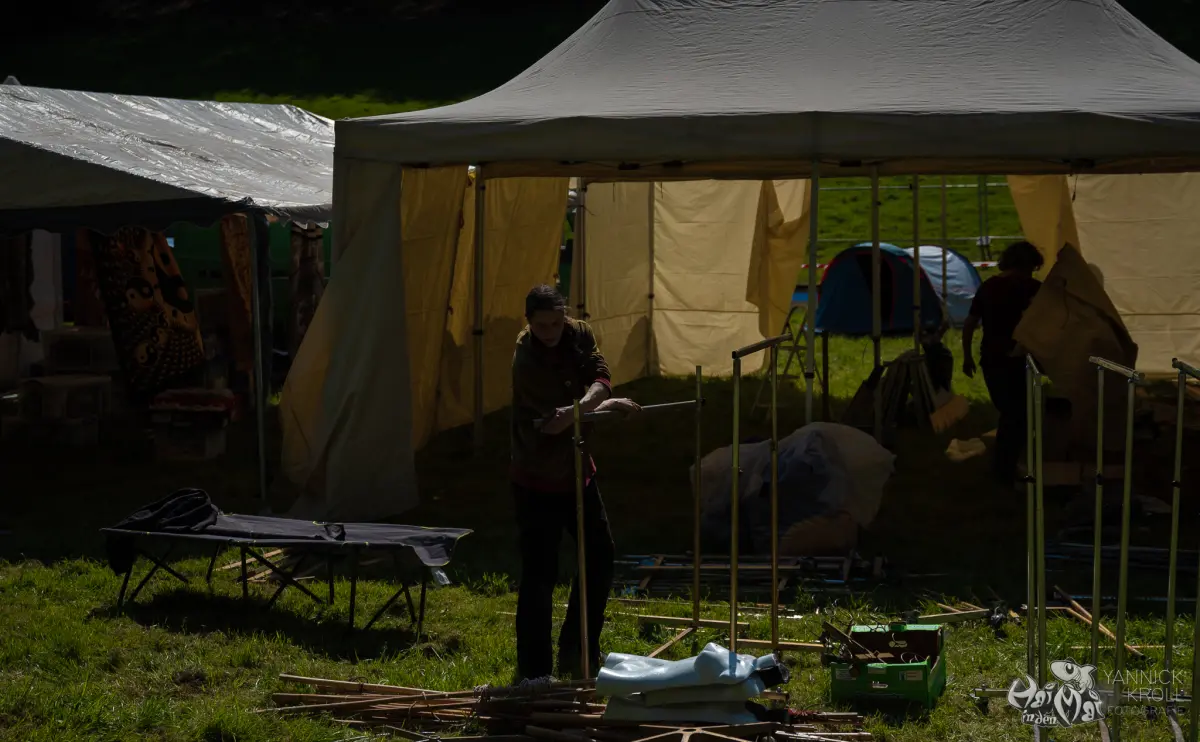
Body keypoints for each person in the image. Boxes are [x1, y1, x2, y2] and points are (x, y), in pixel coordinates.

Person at [510, 284, 640, 681]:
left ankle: (578, 648)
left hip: (578, 470)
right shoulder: (526, 357)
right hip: (536, 477)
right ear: (529, 323)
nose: (550, 332)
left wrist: (595, 400)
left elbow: (599, 374)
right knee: (540, 573)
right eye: (541, 326)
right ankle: (534, 670)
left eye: (556, 323)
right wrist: (594, 406)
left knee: (599, 557)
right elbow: (552, 424)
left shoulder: (578, 332)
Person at [961, 241, 1044, 486]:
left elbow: (970, 323)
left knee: (1010, 412)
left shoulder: (989, 287)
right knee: (1018, 415)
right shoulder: (1033, 289)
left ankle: (1007, 465)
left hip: (992, 358)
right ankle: (1005, 469)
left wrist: (967, 356)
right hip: (1021, 359)